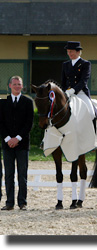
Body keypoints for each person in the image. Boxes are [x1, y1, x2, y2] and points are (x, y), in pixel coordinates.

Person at [0, 76, 34, 210]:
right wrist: (8, 139)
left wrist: (18, 138)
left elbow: (29, 123)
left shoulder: (28, 102)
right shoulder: (2, 102)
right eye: (14, 84)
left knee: (22, 174)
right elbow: (0, 123)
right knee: (8, 174)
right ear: (9, 86)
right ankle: (9, 203)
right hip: (7, 144)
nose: (17, 86)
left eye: (19, 84)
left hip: (22, 144)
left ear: (22, 86)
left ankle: (22, 202)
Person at [61, 41, 97, 132]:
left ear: (78, 52)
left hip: (81, 92)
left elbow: (84, 80)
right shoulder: (65, 65)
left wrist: (73, 90)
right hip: (67, 93)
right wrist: (64, 92)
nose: (69, 53)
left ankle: (94, 135)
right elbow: (63, 81)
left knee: (91, 113)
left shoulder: (85, 64)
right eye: (68, 51)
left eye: (71, 51)